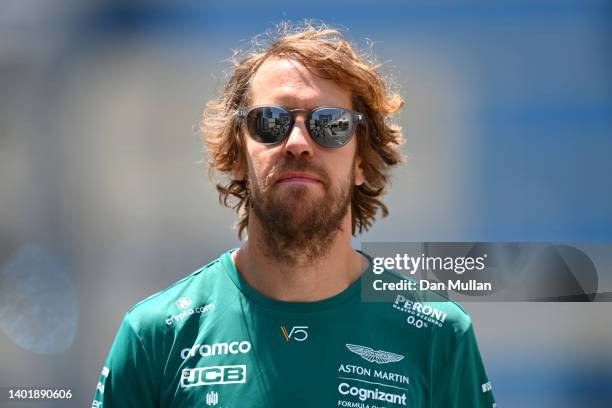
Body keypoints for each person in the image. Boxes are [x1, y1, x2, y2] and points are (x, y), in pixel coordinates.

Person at [92, 22, 496, 408]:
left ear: (361, 161)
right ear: (236, 155)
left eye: (330, 124)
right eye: (271, 122)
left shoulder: (439, 335)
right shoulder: (155, 335)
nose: (299, 143)